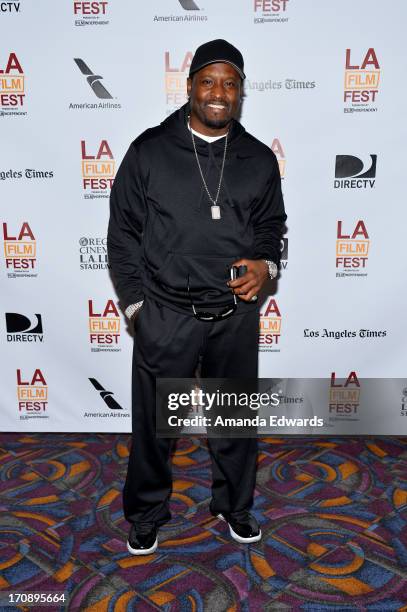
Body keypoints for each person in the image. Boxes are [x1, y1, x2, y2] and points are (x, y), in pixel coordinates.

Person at [107, 39, 287, 555]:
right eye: (208, 82)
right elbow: (122, 235)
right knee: (156, 429)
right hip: (166, 312)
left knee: (232, 421)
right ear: (189, 87)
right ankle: (146, 514)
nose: (218, 93)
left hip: (234, 314)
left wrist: (267, 264)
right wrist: (137, 306)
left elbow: (272, 227)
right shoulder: (149, 151)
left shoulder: (257, 158)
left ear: (241, 93)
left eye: (230, 84)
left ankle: (236, 507)